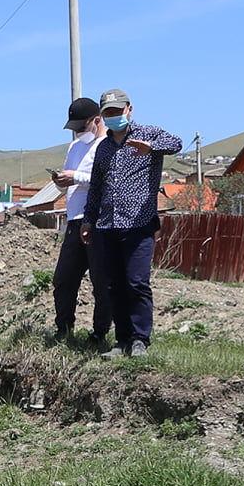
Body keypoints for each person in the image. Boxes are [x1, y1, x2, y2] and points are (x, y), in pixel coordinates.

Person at [80, 88, 182, 359]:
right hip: (107, 225)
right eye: (108, 113)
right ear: (102, 116)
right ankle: (121, 340)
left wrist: (152, 148)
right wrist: (88, 220)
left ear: (129, 110)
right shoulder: (102, 148)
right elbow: (96, 188)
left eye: (117, 111)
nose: (113, 116)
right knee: (113, 284)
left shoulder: (148, 134)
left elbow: (177, 143)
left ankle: (140, 339)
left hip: (138, 224)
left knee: (136, 282)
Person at [49, 96, 107, 343]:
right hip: (74, 220)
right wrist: (62, 181)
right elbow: (71, 181)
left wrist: (77, 177)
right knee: (63, 279)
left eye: (81, 127)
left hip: (98, 220)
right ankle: (63, 330)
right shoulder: (75, 148)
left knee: (101, 281)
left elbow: (107, 180)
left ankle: (99, 333)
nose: (78, 133)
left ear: (96, 120)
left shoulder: (107, 145)